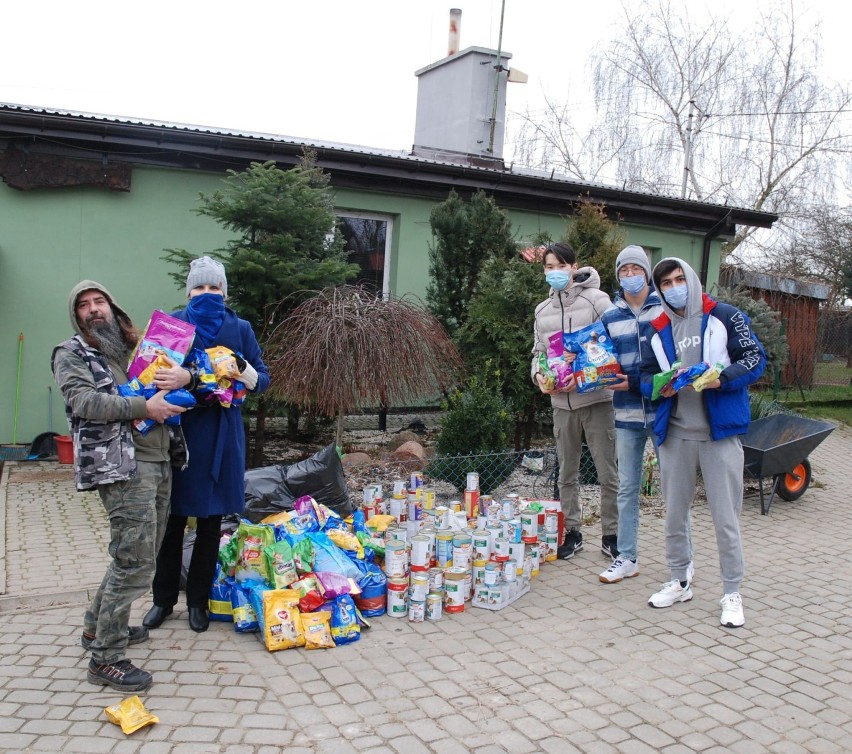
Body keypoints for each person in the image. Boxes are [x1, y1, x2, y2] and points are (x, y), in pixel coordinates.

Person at [51, 281, 187, 692]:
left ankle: (96, 628)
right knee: (134, 562)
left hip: (160, 458)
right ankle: (106, 658)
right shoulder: (71, 353)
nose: (94, 309)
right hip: (123, 468)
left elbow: (171, 389)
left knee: (141, 553)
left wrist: (183, 377)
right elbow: (84, 403)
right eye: (84, 305)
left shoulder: (139, 349)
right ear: (76, 315)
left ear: (112, 306)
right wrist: (146, 406)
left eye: (99, 301)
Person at [143, 256, 269, 633]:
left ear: (224, 291)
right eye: (200, 287)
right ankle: (163, 600)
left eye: (214, 287)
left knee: (212, 523)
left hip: (221, 437)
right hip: (179, 436)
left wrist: (243, 372)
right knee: (172, 520)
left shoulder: (240, 327)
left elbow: (262, 379)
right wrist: (178, 377)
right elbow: (149, 375)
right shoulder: (173, 325)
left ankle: (198, 601)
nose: (207, 294)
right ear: (188, 291)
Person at [640, 257, 765, 628]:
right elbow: (645, 378)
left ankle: (732, 592)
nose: (674, 287)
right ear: (659, 290)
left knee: (726, 519)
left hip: (718, 435)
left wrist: (720, 379)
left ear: (691, 280)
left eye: (680, 279)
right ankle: (680, 580)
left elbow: (755, 359)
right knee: (674, 514)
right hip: (675, 435)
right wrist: (660, 386)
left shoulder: (725, 315)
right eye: (666, 283)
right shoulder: (657, 327)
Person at [531, 242, 620, 560]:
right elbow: (538, 353)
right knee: (566, 474)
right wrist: (539, 376)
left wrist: (579, 355)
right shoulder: (542, 311)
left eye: (560, 265)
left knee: (606, 471)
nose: (554, 272)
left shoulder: (597, 301)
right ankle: (573, 532)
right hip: (561, 403)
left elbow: (614, 343)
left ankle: (612, 535)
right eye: (548, 267)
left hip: (597, 401)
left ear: (573, 266)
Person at [598, 245, 663, 583]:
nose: (631, 276)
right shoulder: (610, 317)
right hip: (625, 416)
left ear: (647, 273)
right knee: (627, 488)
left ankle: (682, 560)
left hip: (664, 414)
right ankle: (626, 557)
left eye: (637, 269)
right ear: (618, 275)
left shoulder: (664, 309)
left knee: (673, 488)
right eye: (625, 270)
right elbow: (600, 360)